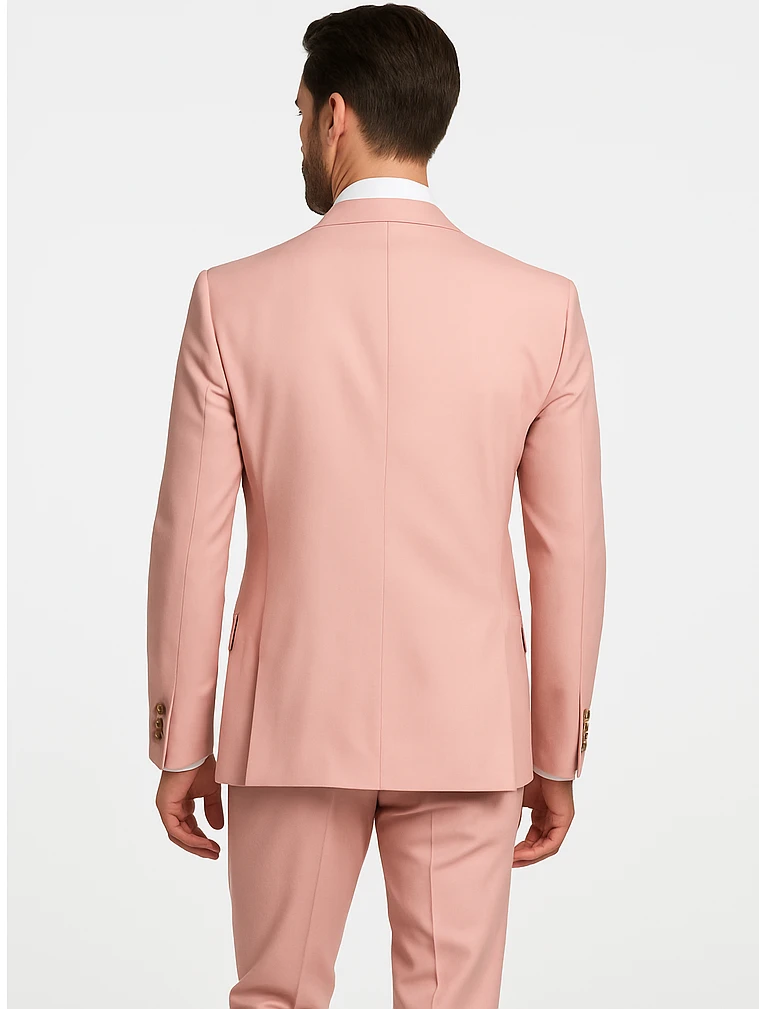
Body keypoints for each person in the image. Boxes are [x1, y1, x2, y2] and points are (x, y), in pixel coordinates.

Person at [146, 5, 606, 1007]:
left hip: (290, 723)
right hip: (469, 728)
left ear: (335, 117)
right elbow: (567, 552)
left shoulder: (231, 300)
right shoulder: (543, 306)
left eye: (299, 111)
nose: (299, 133)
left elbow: (192, 545)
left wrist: (182, 740)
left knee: (276, 995)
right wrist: (554, 753)